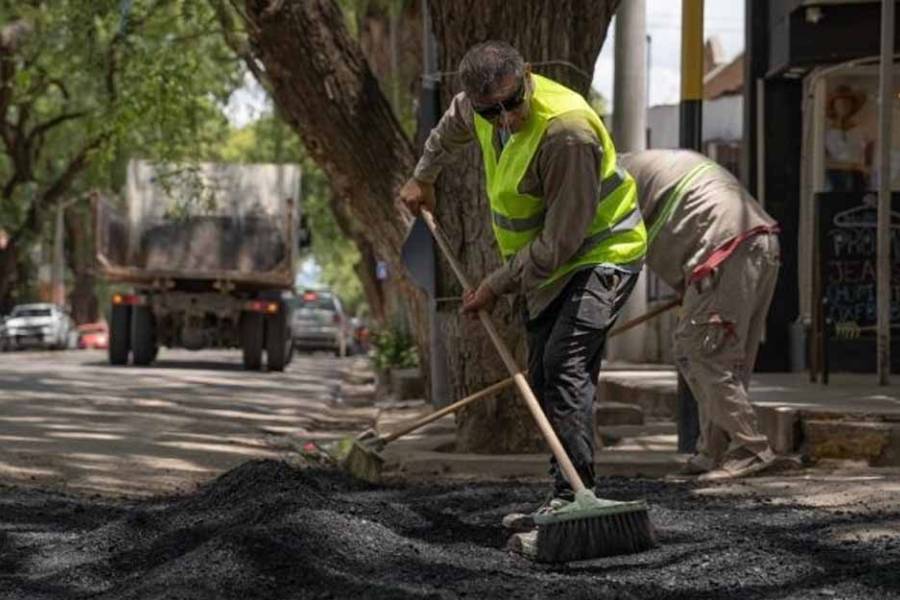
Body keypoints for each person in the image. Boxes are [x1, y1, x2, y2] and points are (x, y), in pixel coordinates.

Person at [398, 41, 647, 511]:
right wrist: (423, 176)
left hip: (601, 254)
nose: (506, 119)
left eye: (513, 103)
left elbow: (561, 243)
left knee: (564, 367)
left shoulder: (566, 133)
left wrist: (494, 284)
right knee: (541, 375)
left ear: (527, 76)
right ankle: (567, 492)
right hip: (547, 269)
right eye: (491, 112)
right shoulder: (478, 107)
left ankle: (573, 496)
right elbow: (449, 129)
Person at [619, 149, 782, 481]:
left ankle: (751, 448)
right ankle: (715, 451)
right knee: (721, 358)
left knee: (700, 353)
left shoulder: (602, 180)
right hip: (751, 244)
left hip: (725, 250)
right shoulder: (629, 167)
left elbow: (612, 258)